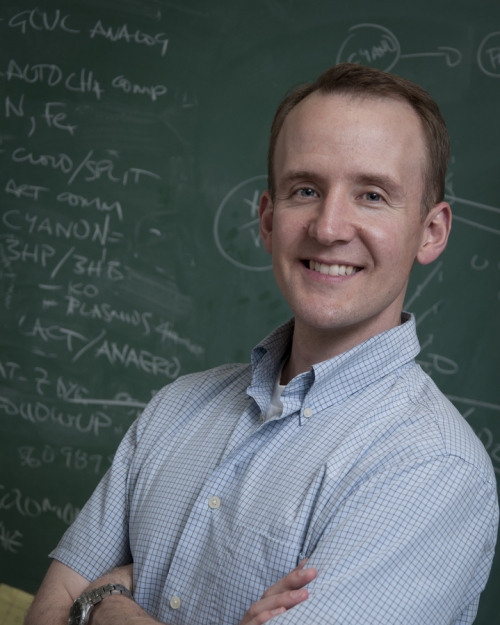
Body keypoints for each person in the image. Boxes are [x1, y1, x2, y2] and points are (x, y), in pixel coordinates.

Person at [26, 63, 498, 625]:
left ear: (432, 231)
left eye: (372, 195)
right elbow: (45, 612)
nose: (328, 227)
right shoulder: (177, 406)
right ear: (269, 219)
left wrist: (103, 606)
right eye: (305, 189)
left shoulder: (428, 469)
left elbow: (72, 606)